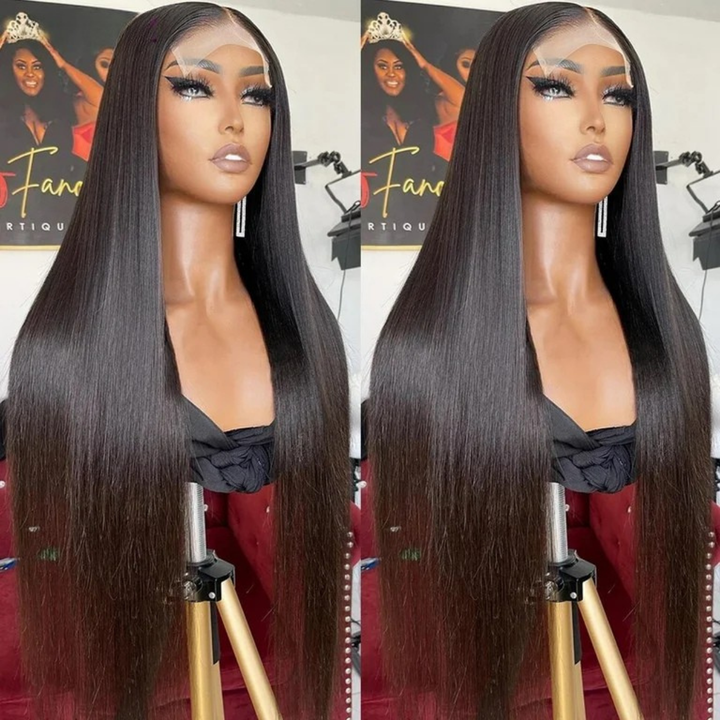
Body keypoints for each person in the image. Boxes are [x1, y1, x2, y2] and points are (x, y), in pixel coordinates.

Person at [367, 3, 716, 719]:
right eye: (557, 86)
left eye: (617, 94)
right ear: (498, 111)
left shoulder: (669, 335)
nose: (597, 119)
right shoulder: (425, 347)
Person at [3, 4, 350, 719]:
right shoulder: (64, 347)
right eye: (195, 86)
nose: (235, 119)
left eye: (256, 94)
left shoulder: (306, 334)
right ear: (136, 111)